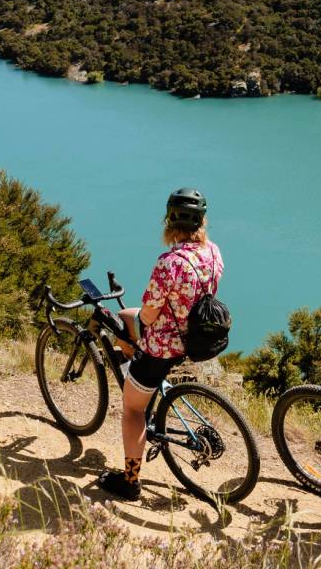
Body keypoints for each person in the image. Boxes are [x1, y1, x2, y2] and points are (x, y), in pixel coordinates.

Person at [92, 188, 225, 501]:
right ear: (202, 221)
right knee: (128, 316)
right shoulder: (213, 253)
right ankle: (137, 374)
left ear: (170, 221)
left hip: (164, 345)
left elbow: (150, 313)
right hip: (194, 335)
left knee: (131, 410)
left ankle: (129, 482)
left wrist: (153, 320)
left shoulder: (170, 262)